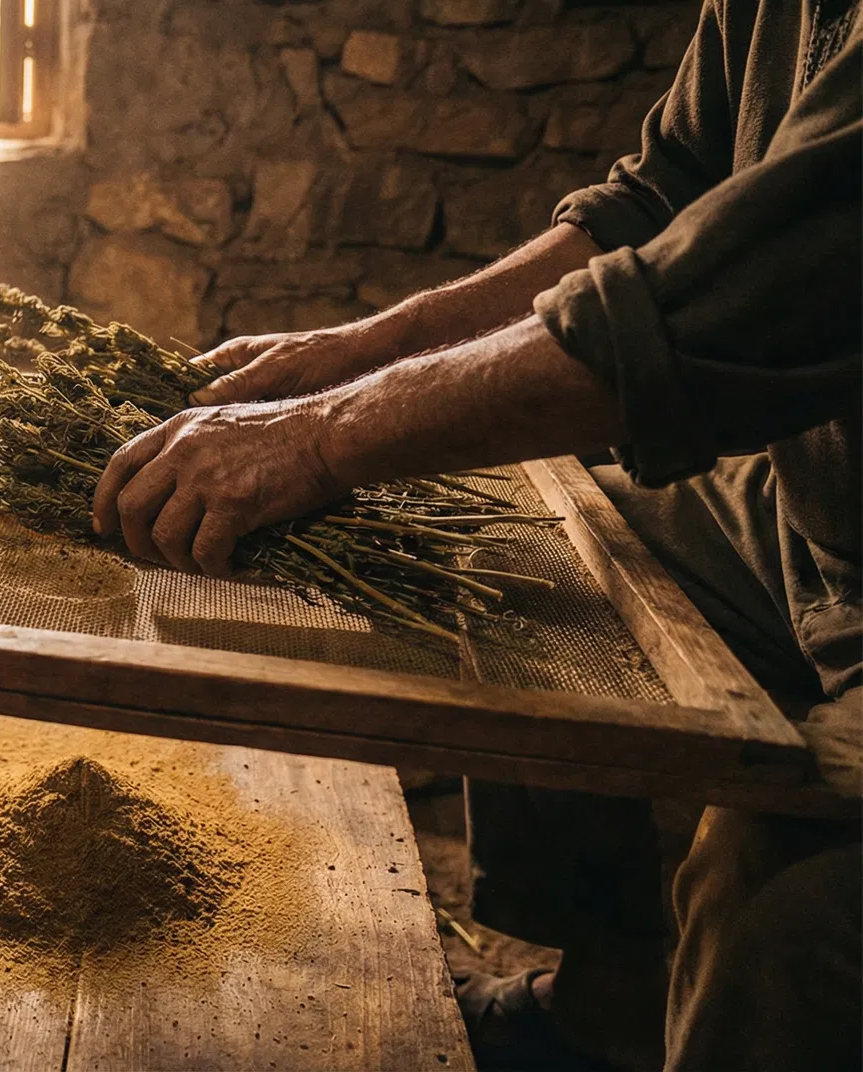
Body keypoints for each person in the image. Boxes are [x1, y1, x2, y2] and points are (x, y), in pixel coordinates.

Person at [91, 0, 861, 1068]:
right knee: (520, 558)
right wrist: (360, 349)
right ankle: (610, 998)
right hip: (810, 512)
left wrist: (316, 439)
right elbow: (663, 196)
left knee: (771, 896)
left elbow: (697, 314)